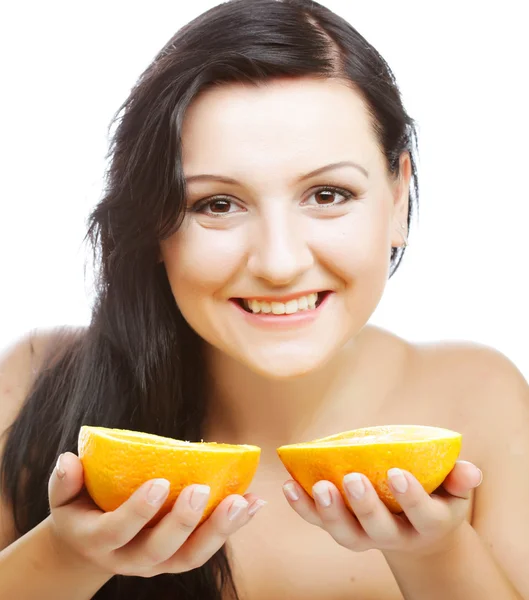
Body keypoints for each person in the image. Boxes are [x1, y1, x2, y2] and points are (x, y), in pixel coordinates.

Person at [0, 0, 528, 598]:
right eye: (217, 204)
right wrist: (67, 557)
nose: (279, 263)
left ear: (399, 198)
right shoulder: (35, 387)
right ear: (153, 225)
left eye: (328, 194)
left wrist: (438, 552)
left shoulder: (480, 399)